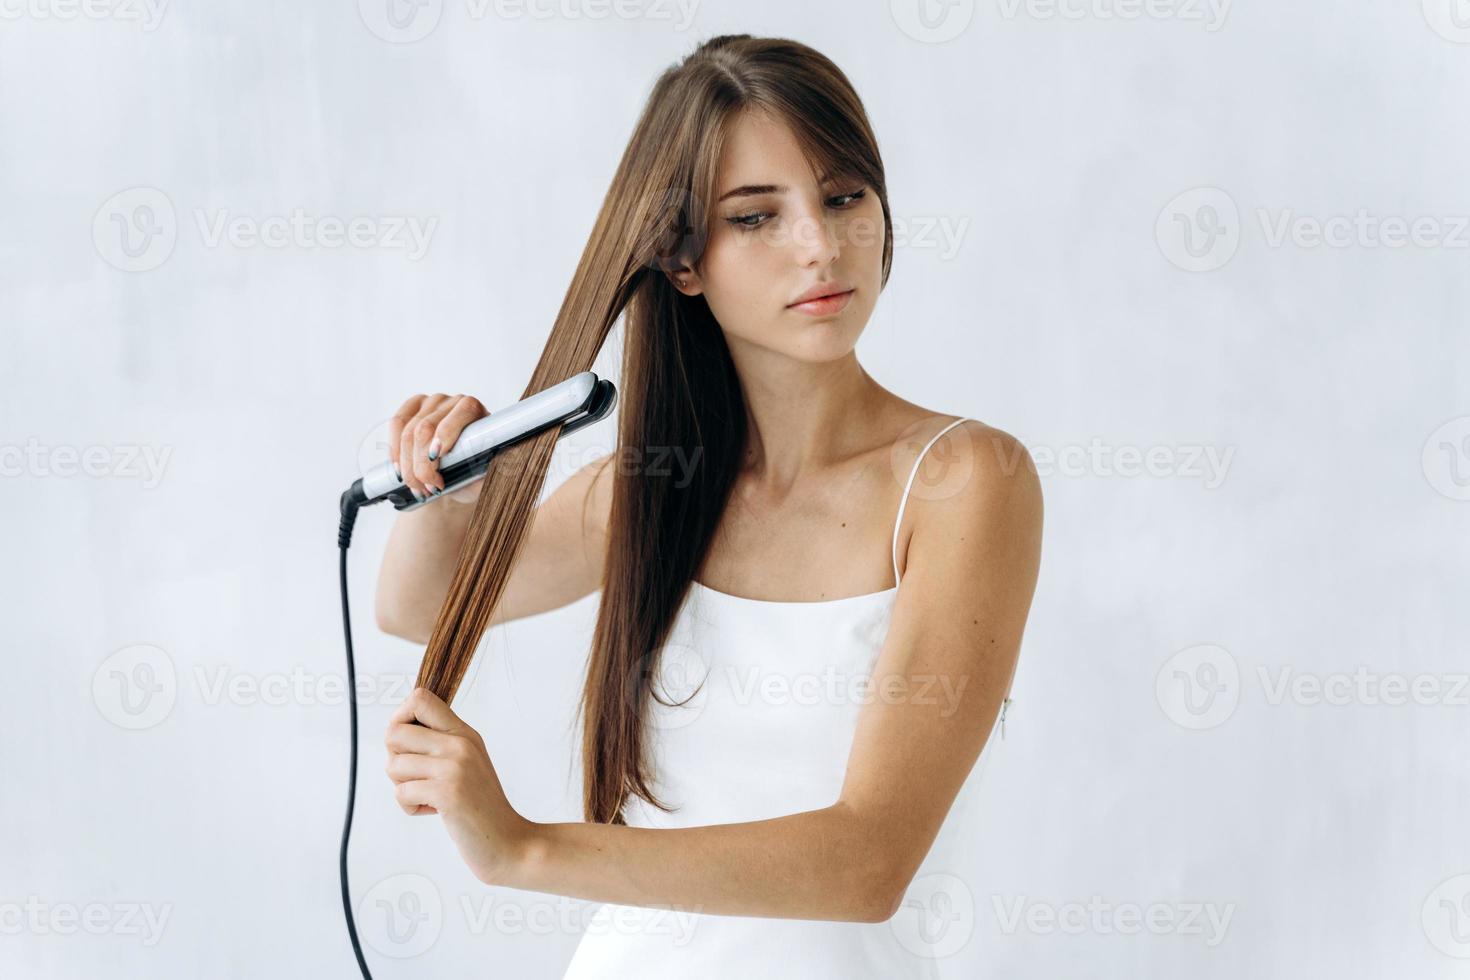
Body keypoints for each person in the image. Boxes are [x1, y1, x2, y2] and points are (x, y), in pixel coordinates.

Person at [375, 34, 1043, 978]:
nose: (820, 245)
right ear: (683, 262)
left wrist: (525, 848)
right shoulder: (653, 492)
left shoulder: (963, 483)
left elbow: (869, 863)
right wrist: (445, 482)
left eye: (844, 197)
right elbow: (417, 604)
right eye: (756, 218)